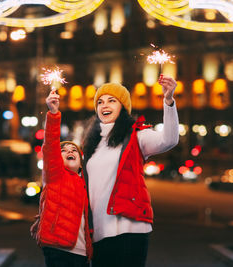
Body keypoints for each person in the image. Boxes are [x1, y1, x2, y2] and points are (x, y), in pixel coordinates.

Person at [82, 74, 179, 267]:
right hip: (98, 231)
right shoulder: (91, 144)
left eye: (112, 100)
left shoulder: (137, 135)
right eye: (100, 102)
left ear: (123, 107)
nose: (104, 105)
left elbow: (169, 140)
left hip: (130, 228)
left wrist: (168, 101)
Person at [30, 90, 93, 267]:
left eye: (74, 151)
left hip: (82, 252)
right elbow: (50, 144)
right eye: (63, 151)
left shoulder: (85, 184)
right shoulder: (55, 174)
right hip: (58, 248)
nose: (70, 151)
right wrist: (53, 114)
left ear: (81, 164)